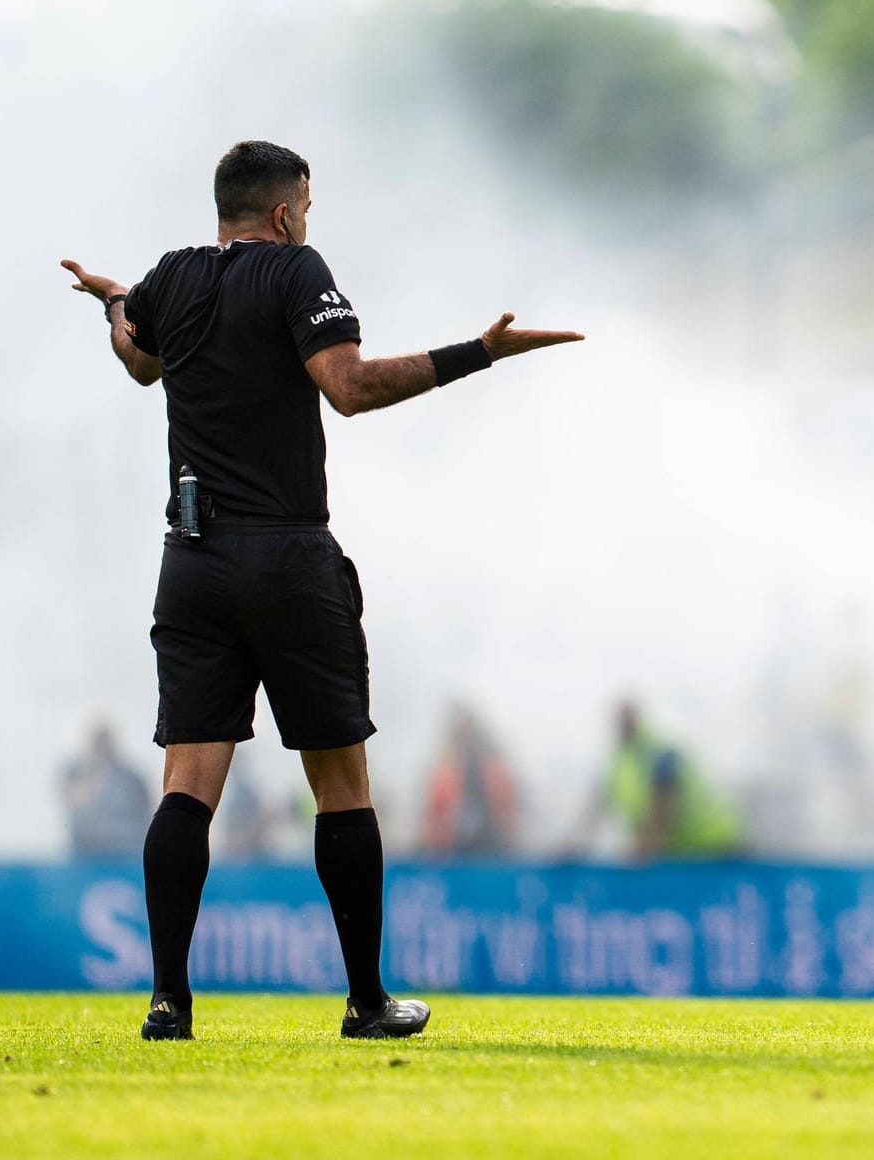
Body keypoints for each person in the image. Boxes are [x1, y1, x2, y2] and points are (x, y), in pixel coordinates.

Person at [60, 140, 582, 1040]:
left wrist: (113, 299)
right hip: (287, 558)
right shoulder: (297, 271)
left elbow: (137, 358)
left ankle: (167, 1002)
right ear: (285, 212)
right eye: (309, 204)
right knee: (341, 784)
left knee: (187, 781)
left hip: (191, 559)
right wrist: (479, 352)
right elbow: (348, 387)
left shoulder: (172, 278)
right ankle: (366, 1000)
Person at [567, 699, 745, 860]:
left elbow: (663, 808)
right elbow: (593, 814)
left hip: (717, 848)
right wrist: (573, 847)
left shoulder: (658, 752)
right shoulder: (616, 767)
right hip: (679, 857)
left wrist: (642, 849)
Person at [423, 704, 521, 856]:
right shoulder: (446, 766)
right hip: (452, 848)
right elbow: (435, 811)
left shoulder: (492, 763)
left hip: (493, 844)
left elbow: (508, 806)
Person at [60, 722, 153, 857]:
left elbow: (147, 811)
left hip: (126, 852)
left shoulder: (131, 779)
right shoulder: (77, 772)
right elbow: (73, 800)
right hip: (85, 852)